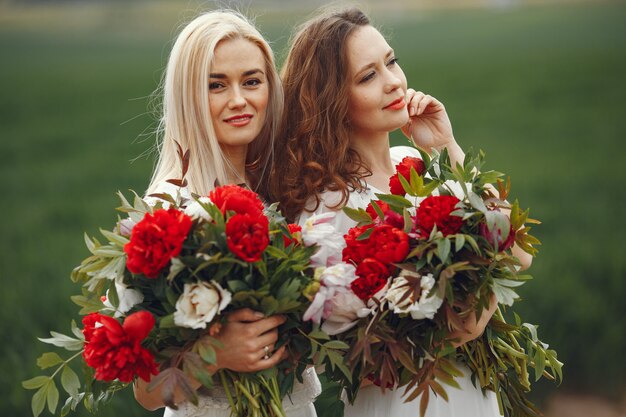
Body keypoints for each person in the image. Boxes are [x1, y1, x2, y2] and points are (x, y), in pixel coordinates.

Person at [267, 7, 532, 417]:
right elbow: (340, 352)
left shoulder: (420, 163)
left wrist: (446, 147)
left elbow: (518, 254)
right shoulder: (325, 207)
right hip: (402, 402)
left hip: (469, 394)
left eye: (390, 61)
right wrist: (456, 327)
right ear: (332, 98)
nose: (393, 82)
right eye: (368, 76)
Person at [134, 10, 320, 417]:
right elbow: (146, 391)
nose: (239, 100)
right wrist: (215, 354)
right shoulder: (167, 209)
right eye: (215, 85)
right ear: (188, 96)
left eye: (252, 81)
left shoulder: (285, 188)